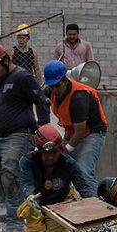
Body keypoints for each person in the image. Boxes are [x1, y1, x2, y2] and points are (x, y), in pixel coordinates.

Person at [0, 43, 50, 231]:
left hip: (19, 134)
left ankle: (16, 222)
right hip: (0, 136)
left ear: (5, 61)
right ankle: (9, 203)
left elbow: (41, 100)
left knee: (9, 174)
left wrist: (44, 129)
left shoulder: (22, 77)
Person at [44, 59, 107, 190]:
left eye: (57, 85)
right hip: (72, 132)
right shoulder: (50, 91)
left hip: (91, 134)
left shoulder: (79, 97)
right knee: (60, 168)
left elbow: (80, 132)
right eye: (52, 86)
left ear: (65, 80)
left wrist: (65, 150)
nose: (55, 90)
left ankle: (93, 207)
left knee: (84, 171)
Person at [26, 123, 86, 208]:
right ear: (39, 152)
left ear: (60, 150)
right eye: (46, 153)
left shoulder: (68, 163)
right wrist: (30, 196)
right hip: (36, 208)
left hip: (62, 208)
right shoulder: (28, 162)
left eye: (55, 152)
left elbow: (84, 189)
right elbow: (27, 183)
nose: (50, 157)